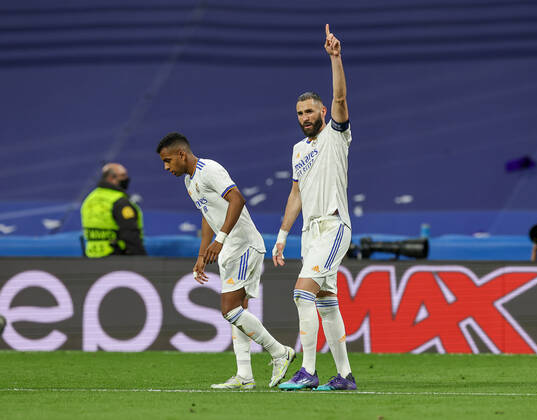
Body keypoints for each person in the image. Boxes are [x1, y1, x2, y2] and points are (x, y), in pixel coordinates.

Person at [156, 133, 295, 389]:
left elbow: (238, 199)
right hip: (230, 247)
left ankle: (279, 352)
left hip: (241, 245)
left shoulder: (208, 169)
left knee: (229, 310)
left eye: (167, 161)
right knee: (238, 311)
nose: (166, 167)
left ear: (181, 155)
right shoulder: (189, 181)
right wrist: (201, 255)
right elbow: (207, 216)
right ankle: (245, 376)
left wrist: (220, 240)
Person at [273, 24, 356, 391]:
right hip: (309, 233)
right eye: (300, 114)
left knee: (300, 292)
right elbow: (296, 194)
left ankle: (308, 370)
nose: (305, 117)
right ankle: (345, 376)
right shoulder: (298, 150)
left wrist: (335, 58)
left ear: (321, 110)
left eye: (310, 111)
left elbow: (340, 100)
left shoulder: (335, 135)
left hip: (334, 226)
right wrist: (281, 236)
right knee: (325, 302)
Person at [80, 163, 146, 258]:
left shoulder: (89, 199)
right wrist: (142, 259)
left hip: (91, 256)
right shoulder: (120, 202)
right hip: (116, 257)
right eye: (123, 175)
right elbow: (130, 234)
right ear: (111, 178)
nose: (126, 179)